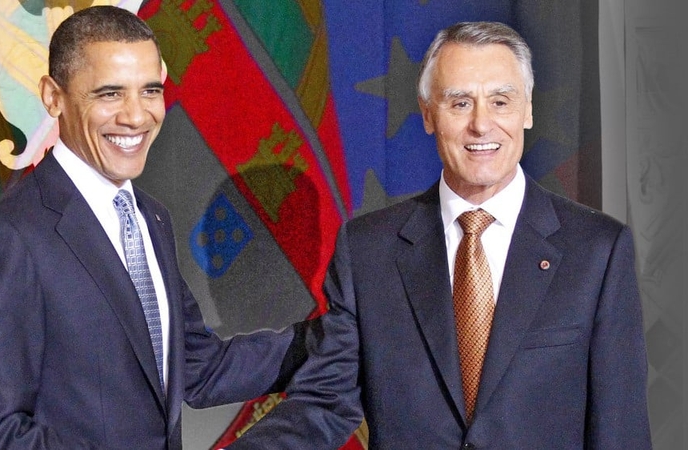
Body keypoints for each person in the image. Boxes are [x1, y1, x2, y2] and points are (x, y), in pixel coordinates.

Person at [230, 21, 651, 449]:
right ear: (428, 113)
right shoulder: (368, 251)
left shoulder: (597, 251)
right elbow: (325, 401)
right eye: (460, 103)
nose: (481, 125)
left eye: (500, 101)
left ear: (527, 111)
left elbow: (620, 429)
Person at [0, 6, 308, 449]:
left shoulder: (150, 218)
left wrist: (336, 338)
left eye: (150, 90)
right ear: (52, 97)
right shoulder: (9, 237)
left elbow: (200, 367)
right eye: (110, 94)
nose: (137, 117)